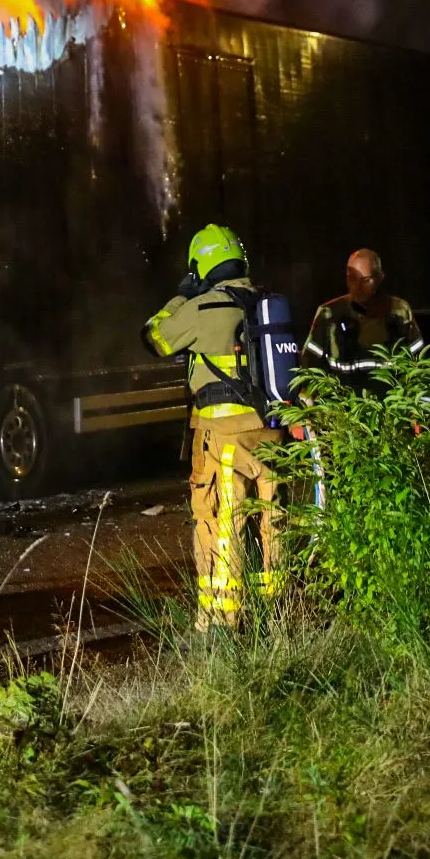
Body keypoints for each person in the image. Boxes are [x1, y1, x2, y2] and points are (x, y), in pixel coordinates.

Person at [142, 224, 286, 630]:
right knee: (270, 516)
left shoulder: (203, 308)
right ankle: (275, 611)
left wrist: (179, 297)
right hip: (271, 431)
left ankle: (222, 622)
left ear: (202, 264)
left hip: (222, 436)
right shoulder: (263, 303)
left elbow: (154, 338)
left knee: (221, 520)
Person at [301, 248, 425, 389]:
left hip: (391, 405)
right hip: (342, 406)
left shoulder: (399, 311)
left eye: (365, 280)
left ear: (380, 277)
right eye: (352, 278)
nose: (357, 287)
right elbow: (308, 367)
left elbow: (419, 366)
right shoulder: (329, 314)